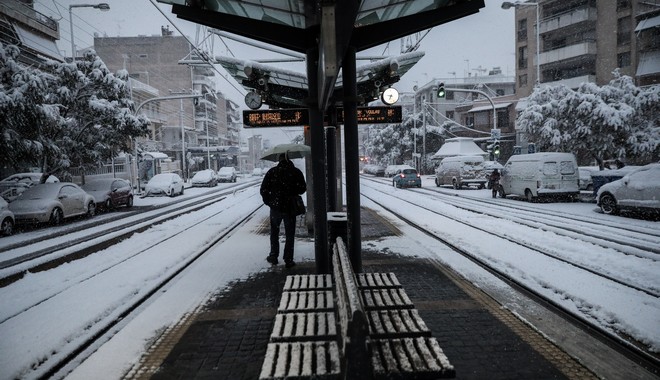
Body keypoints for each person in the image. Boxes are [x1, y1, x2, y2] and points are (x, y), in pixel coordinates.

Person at [260, 153, 307, 268]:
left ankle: (273, 256)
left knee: (274, 233)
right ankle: (288, 259)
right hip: (290, 208)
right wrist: (293, 191)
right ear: (289, 160)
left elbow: (263, 189)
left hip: (275, 208)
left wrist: (270, 202)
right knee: (290, 234)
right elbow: (302, 189)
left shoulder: (272, 172)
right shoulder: (296, 172)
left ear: (279, 160)